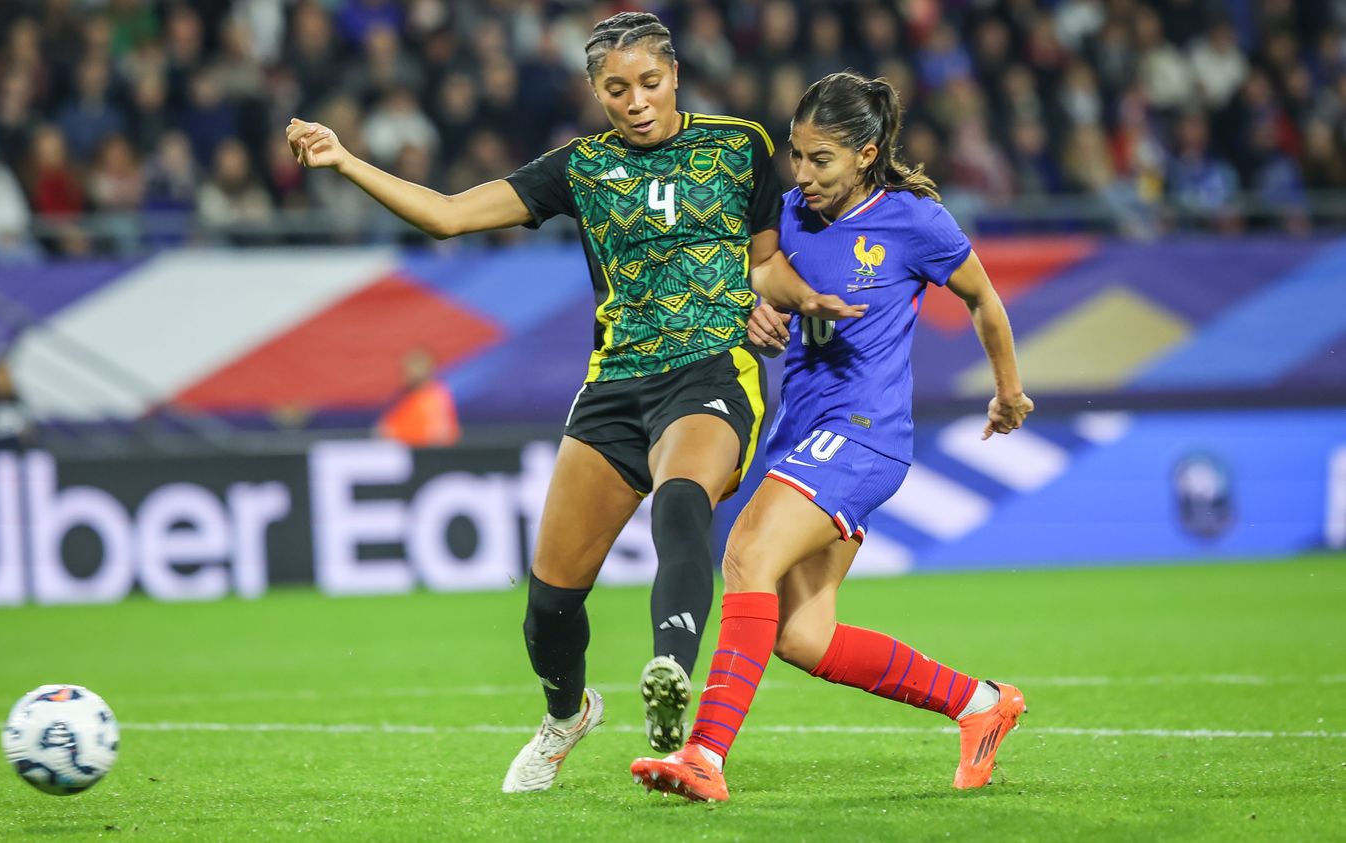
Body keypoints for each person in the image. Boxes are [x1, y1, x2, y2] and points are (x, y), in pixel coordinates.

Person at [286, 11, 860, 793]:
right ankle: (566, 713)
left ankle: (669, 676)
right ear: (595, 91)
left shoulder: (740, 145)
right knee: (551, 605)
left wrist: (792, 299)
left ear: (676, 76)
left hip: (713, 370)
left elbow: (765, 263)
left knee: (683, 501)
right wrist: (346, 160)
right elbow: (451, 216)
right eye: (616, 88)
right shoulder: (578, 169)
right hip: (614, 389)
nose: (635, 101)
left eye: (649, 83)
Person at [630, 71, 1036, 802]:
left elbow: (982, 296)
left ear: (866, 154)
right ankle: (981, 704)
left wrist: (1007, 389)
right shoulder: (784, 216)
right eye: (796, 155)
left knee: (747, 551)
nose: (803, 174)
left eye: (822, 159)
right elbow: (757, 284)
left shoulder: (913, 221)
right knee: (802, 635)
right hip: (802, 433)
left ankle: (705, 755)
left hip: (865, 433)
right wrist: (756, 315)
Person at [375, 348, 460, 448]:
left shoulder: (434, 397)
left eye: (414, 367)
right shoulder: (404, 397)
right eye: (405, 369)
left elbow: (440, 436)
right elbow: (384, 429)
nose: (407, 373)